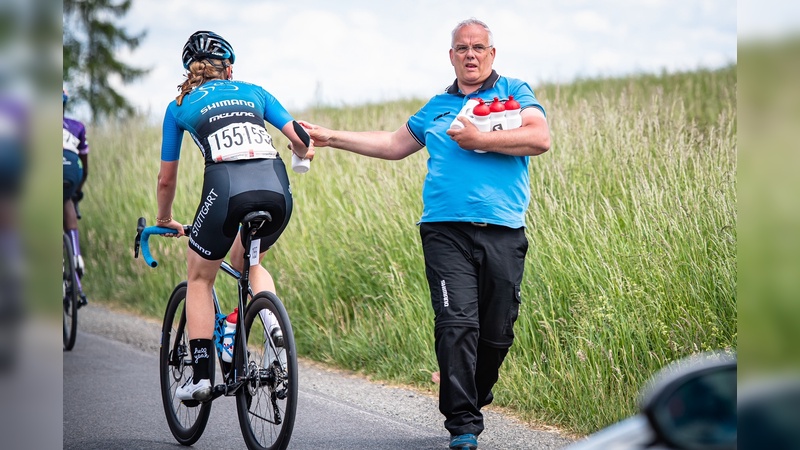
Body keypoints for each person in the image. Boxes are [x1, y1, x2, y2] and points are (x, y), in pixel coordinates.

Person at [300, 18, 550, 450]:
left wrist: (479, 139)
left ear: (492, 54)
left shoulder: (514, 92)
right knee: (456, 322)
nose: (469, 54)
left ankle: (472, 391)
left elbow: (540, 137)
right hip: (443, 229)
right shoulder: (437, 105)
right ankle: (463, 426)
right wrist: (330, 137)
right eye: (461, 48)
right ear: (451, 56)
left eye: (478, 47)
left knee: (498, 332)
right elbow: (393, 145)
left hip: (504, 230)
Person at [155, 30, 313, 402]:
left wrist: (164, 219)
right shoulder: (255, 91)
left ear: (190, 70)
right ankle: (270, 324)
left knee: (199, 277)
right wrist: (300, 152)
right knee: (248, 256)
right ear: (229, 68)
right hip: (276, 188)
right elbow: (303, 140)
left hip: (227, 190)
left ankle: (200, 377)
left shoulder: (179, 104)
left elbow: (166, 179)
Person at [62, 88, 88, 307]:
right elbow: (85, 166)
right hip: (72, 171)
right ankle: (76, 256)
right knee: (67, 200)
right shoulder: (77, 126)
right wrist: (77, 189)